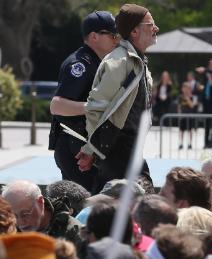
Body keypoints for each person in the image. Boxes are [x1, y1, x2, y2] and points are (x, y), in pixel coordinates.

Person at [76, 4, 159, 192]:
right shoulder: (120, 62)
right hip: (118, 147)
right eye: (151, 24)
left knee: (113, 204)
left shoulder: (135, 59)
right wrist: (94, 149)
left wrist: (94, 151)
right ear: (135, 31)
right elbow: (96, 107)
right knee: (144, 199)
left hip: (125, 148)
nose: (155, 29)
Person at [48, 11, 118, 193]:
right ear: (94, 36)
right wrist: (95, 108)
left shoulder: (97, 62)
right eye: (111, 34)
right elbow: (57, 105)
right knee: (88, 202)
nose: (116, 39)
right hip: (75, 146)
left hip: (83, 145)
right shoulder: (81, 64)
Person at [1, 180, 83, 250]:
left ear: (40, 202)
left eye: (25, 214)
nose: (20, 222)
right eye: (14, 216)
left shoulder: (73, 231)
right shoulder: (7, 232)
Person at [177, 81, 198, 149]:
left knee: (190, 130)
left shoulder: (192, 97)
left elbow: (192, 105)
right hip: (182, 116)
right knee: (181, 130)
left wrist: (187, 99)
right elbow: (179, 106)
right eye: (185, 88)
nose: (186, 90)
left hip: (190, 116)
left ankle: (190, 143)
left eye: (188, 88)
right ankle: (181, 143)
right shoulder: (180, 97)